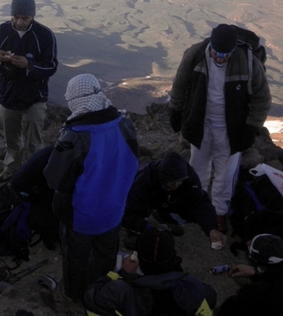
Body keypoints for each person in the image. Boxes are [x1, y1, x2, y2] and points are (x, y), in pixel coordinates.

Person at [44, 74, 139, 303]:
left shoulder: (75, 136)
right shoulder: (125, 125)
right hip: (114, 211)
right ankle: (101, 294)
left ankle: (76, 297)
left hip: (81, 216)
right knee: (105, 257)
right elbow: (133, 161)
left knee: (76, 259)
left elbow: (53, 178)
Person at [168, 23, 271, 231]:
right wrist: (176, 111)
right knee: (197, 167)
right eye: (217, 53)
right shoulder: (195, 55)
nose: (221, 58)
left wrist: (251, 128)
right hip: (201, 124)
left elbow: (262, 98)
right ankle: (197, 207)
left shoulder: (248, 61)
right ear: (211, 46)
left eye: (226, 54)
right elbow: (179, 85)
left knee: (226, 173)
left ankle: (219, 214)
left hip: (231, 130)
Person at [0, 0, 58, 180]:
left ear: (32, 16)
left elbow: (52, 66)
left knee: (33, 142)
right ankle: (11, 171)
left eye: (25, 18)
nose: (20, 22)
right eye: (16, 17)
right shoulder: (2, 32)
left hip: (34, 98)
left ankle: (34, 174)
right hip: (8, 96)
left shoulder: (44, 35)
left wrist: (29, 65)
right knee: (12, 141)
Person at [83, 227, 217, 316]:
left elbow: (91, 298)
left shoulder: (121, 290)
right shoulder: (191, 284)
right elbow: (211, 297)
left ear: (138, 258)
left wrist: (121, 273)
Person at [123, 152, 225, 249]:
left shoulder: (188, 177)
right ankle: (135, 231)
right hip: (148, 199)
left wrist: (211, 228)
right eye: (172, 182)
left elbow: (201, 203)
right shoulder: (143, 180)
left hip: (167, 201)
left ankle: (166, 219)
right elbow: (127, 211)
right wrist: (147, 228)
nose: (177, 185)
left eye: (179, 181)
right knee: (138, 210)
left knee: (191, 210)